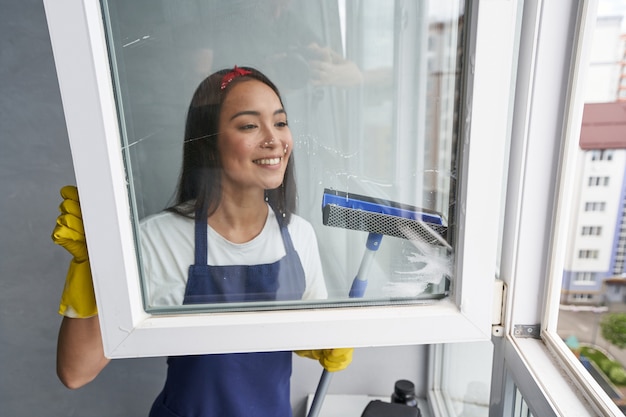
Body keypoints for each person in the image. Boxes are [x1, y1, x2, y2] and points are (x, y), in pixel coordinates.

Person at [52, 66, 353, 417]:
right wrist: (94, 272)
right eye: (249, 125)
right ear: (208, 144)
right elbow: (76, 371)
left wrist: (324, 343)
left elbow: (304, 331)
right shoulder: (159, 241)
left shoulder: (299, 236)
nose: (274, 139)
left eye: (281, 122)